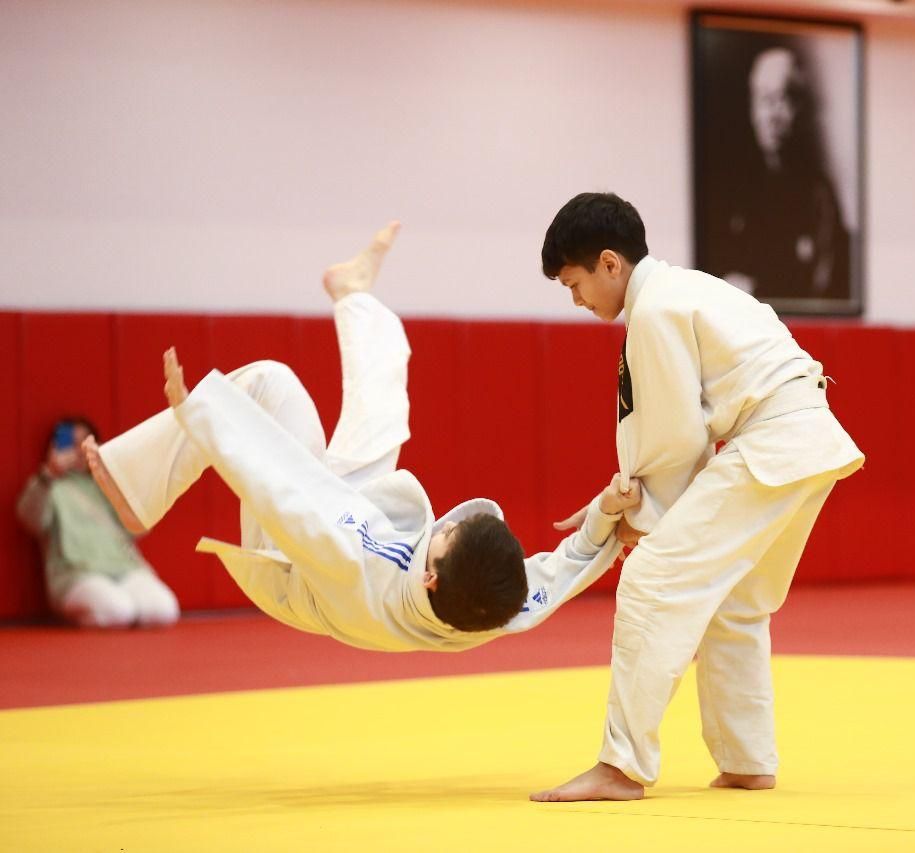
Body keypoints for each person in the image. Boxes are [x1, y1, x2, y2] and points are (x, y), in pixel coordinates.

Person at [83, 223, 635, 651]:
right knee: (381, 419)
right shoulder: (500, 602)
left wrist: (201, 414)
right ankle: (353, 293)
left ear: (431, 576)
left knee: (269, 384)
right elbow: (565, 568)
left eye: (447, 535)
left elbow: (284, 492)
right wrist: (608, 518)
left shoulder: (358, 559)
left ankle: (134, 486)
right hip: (355, 532)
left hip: (294, 563)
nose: (449, 523)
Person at [532, 192, 864, 801]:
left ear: (610, 263)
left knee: (652, 580)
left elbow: (677, 435)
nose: (576, 300)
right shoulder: (685, 289)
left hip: (774, 439)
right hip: (807, 437)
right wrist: (627, 502)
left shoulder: (655, 310)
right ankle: (747, 759)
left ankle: (620, 765)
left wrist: (641, 516)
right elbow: (679, 433)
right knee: (735, 601)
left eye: (574, 283)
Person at [704, 44, 854, 304]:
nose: (773, 114)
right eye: (765, 100)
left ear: (801, 110)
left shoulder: (819, 196)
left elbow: (825, 289)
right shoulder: (728, 189)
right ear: (752, 110)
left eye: (784, 99)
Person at [16, 417, 180, 629]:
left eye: (85, 443)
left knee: (163, 610)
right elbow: (30, 519)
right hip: (77, 575)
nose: (78, 451)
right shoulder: (46, 485)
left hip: (126, 568)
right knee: (117, 611)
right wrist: (50, 473)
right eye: (71, 444)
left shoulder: (106, 485)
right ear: (55, 446)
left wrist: (112, 472)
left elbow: (139, 526)